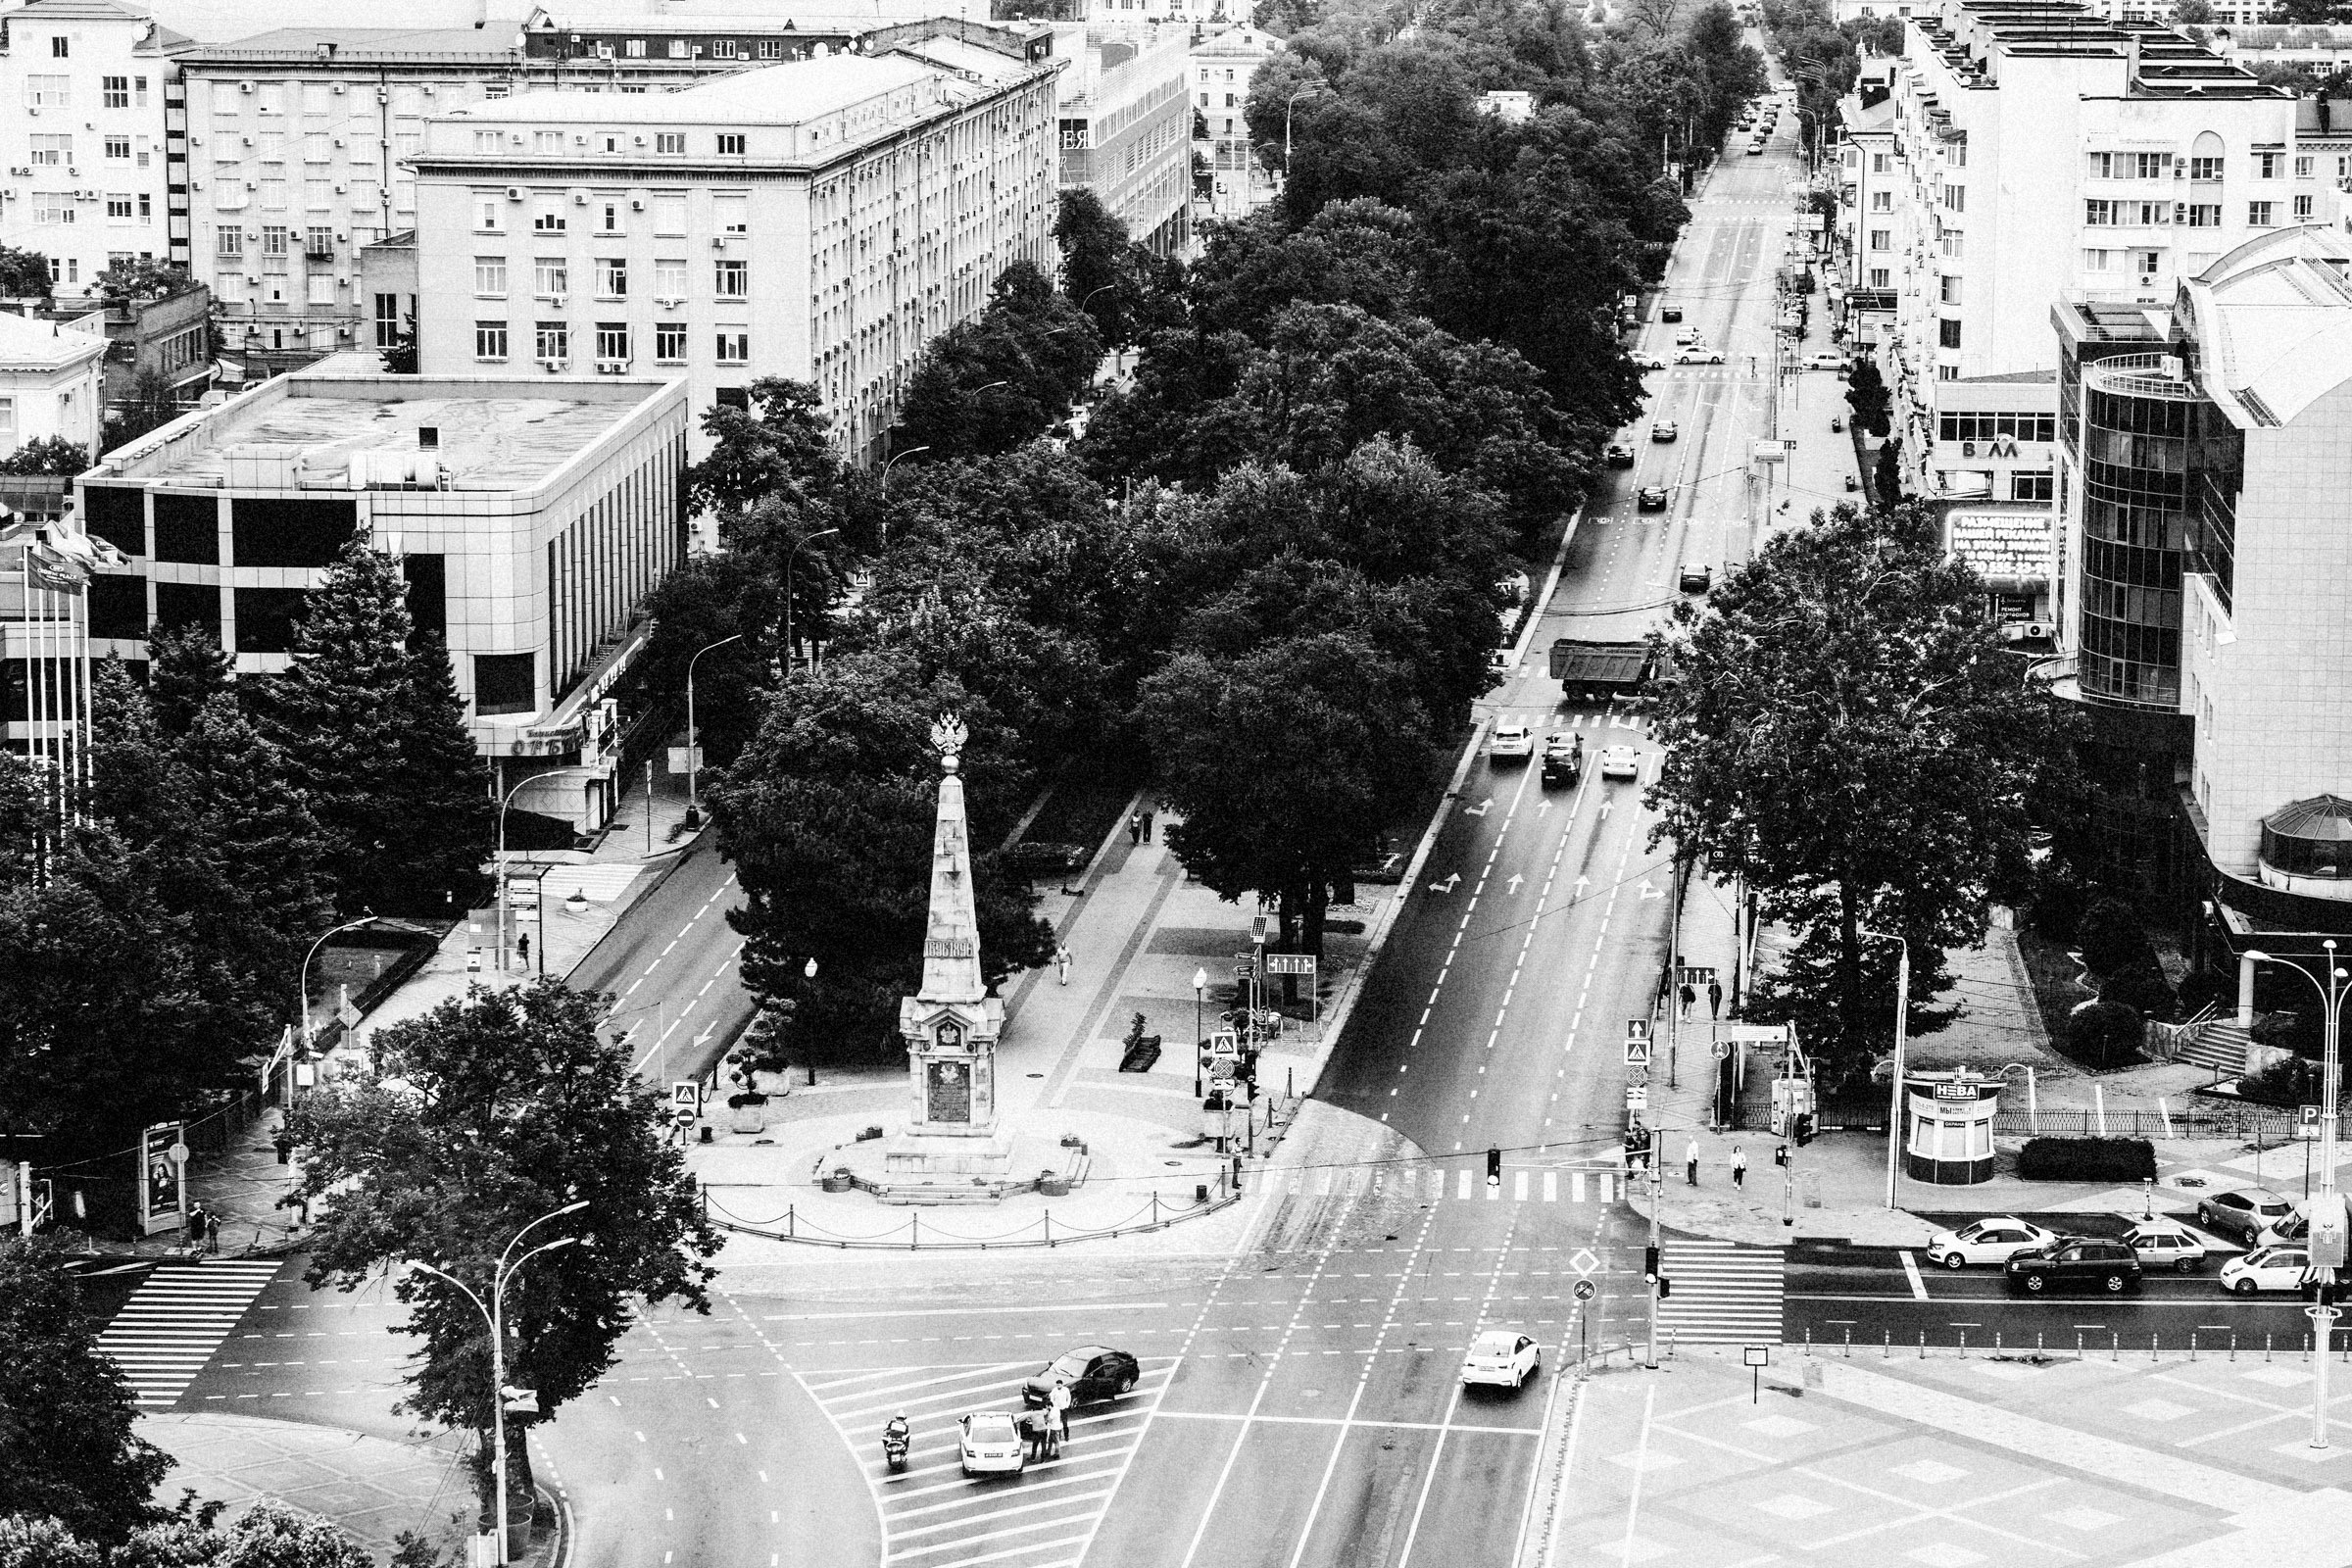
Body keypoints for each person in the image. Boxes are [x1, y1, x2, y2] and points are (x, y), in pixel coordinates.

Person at [1049, 1381, 1072, 1454]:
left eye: (1059, 1385)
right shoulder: (1054, 1390)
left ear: (1062, 1384)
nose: (1058, 1386)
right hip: (1057, 1409)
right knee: (1058, 1423)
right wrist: (1053, 1406)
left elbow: (1069, 1398)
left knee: (1065, 1423)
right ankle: (1060, 1434)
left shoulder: (1066, 1390)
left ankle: (1066, 1436)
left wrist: (1067, 1405)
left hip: (1063, 1408)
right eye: (1057, 1385)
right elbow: (1051, 1397)